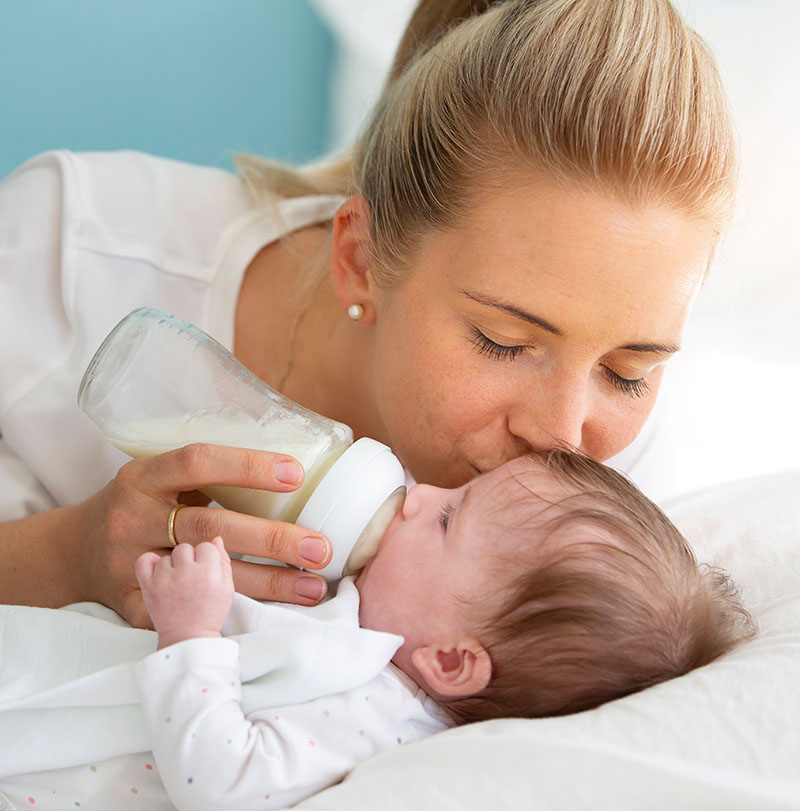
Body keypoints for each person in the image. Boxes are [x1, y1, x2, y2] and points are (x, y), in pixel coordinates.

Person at [0, 0, 739, 627]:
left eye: (628, 372)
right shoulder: (65, 256)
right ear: (360, 259)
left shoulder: (615, 498)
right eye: (504, 340)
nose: (563, 436)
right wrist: (70, 555)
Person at [0, 450, 754, 810]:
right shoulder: (367, 626)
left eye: (450, 517)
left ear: (453, 660)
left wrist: (193, 635)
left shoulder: (380, 713)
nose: (420, 493)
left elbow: (226, 783)